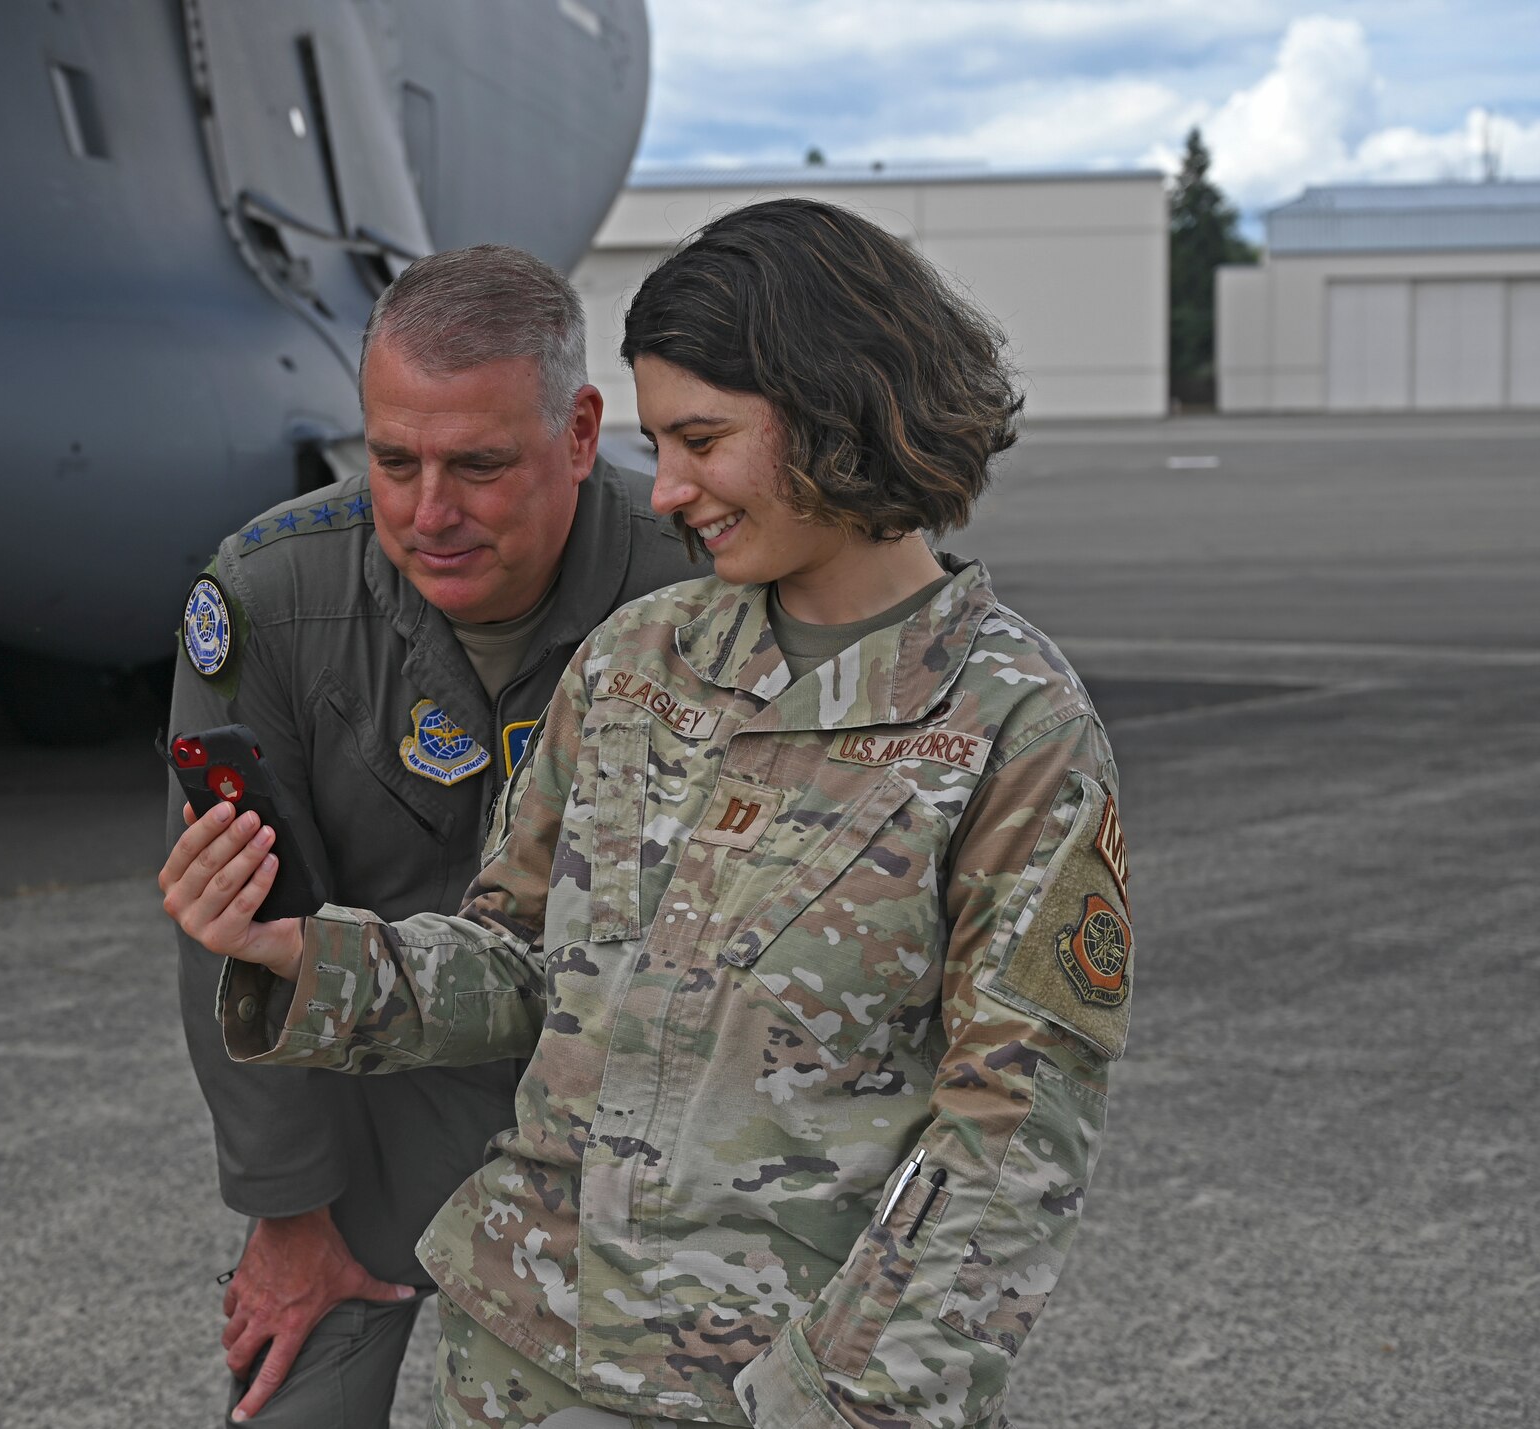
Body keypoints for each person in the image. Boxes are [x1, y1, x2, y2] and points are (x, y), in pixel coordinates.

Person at [162, 198, 1135, 1428]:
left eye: (701, 440)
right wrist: (301, 958)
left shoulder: (1009, 727)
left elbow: (1008, 1135)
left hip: (763, 1389)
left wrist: (833, 1400)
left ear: (838, 417)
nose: (663, 489)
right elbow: (520, 962)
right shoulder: (640, 657)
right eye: (658, 442)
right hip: (519, 1355)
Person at [165, 243, 696, 1428]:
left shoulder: (696, 599)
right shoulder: (273, 595)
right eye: (391, 459)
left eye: (478, 465)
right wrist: (288, 1213)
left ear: (577, 432)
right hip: (368, 1123)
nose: (424, 513)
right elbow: (232, 934)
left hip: (614, 1138)